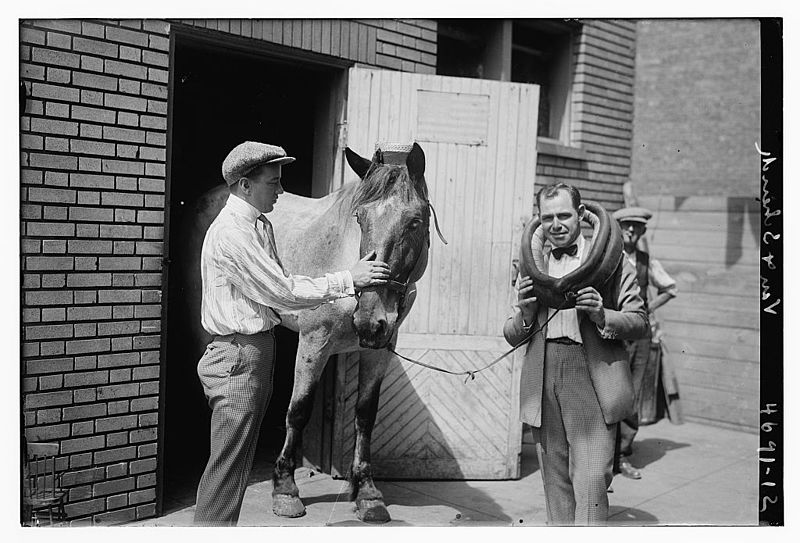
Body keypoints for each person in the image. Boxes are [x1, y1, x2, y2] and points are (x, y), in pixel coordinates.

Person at [193, 141, 390, 526]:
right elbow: (282, 292)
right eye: (273, 183)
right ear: (245, 186)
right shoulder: (234, 233)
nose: (282, 191)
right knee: (226, 472)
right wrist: (349, 278)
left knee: (234, 471)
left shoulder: (259, 226)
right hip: (236, 357)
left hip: (253, 354)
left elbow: (285, 281)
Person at [504, 183, 649, 525]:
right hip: (544, 374)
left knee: (591, 478)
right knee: (554, 477)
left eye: (564, 215)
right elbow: (511, 334)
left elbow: (640, 321)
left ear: (582, 215)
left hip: (591, 376)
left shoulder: (613, 263)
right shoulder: (531, 266)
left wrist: (603, 315)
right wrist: (525, 315)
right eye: (548, 217)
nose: (556, 224)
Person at [611, 206, 678, 480]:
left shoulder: (645, 261)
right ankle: (603, 458)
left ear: (642, 231)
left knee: (632, 395)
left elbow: (670, 289)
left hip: (639, 336)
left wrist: (647, 309)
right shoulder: (610, 258)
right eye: (626, 225)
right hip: (612, 334)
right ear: (619, 228)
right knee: (609, 393)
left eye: (636, 227)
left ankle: (623, 456)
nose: (630, 230)